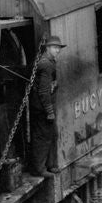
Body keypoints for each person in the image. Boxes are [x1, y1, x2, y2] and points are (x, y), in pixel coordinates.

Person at [28, 36, 66, 177]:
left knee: (52, 134)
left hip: (44, 106)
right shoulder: (46, 65)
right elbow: (44, 91)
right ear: (47, 48)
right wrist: (49, 111)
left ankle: (51, 165)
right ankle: (38, 169)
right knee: (42, 137)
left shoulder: (47, 61)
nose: (58, 51)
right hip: (42, 108)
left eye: (59, 48)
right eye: (55, 48)